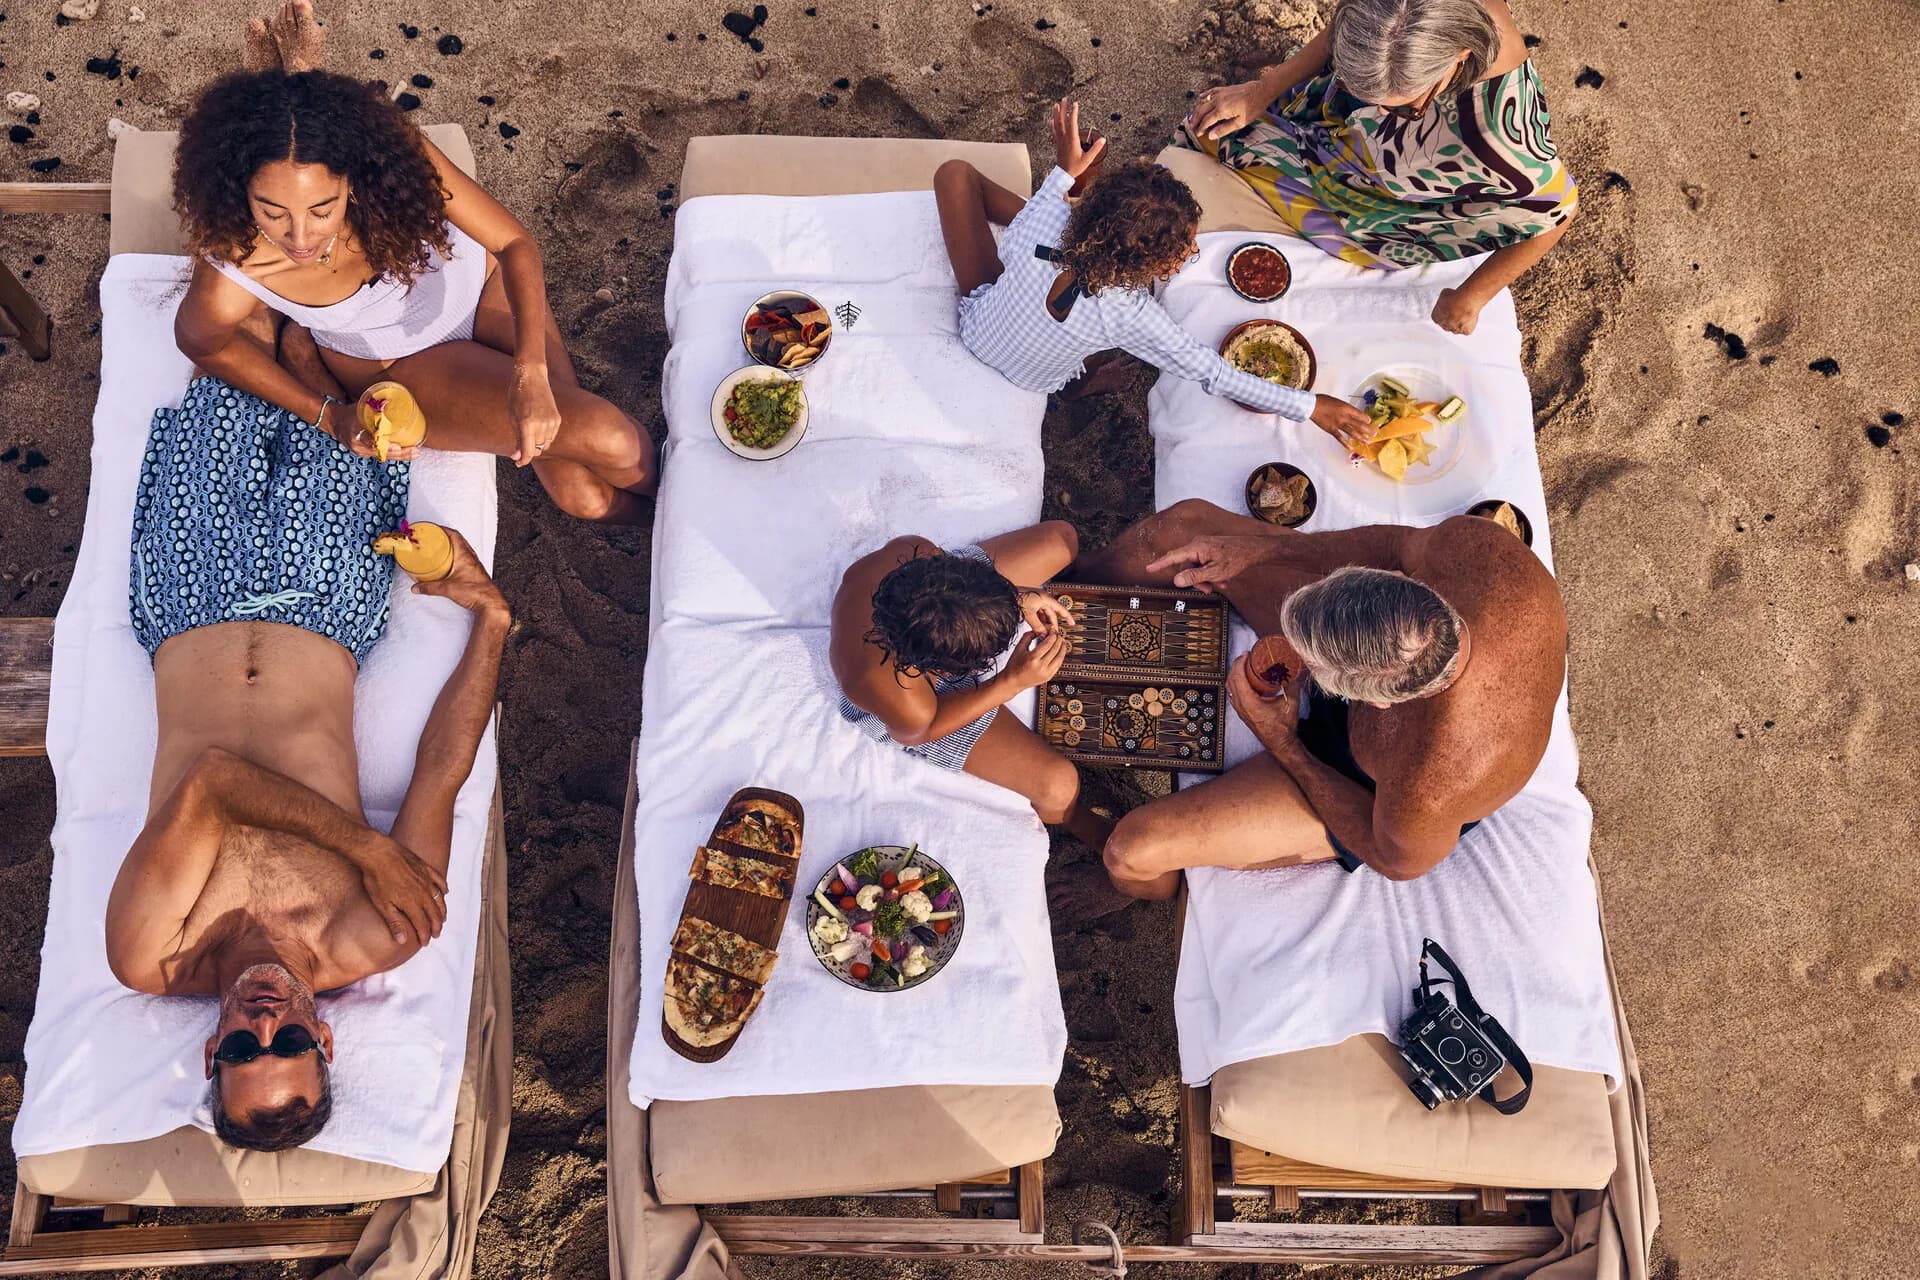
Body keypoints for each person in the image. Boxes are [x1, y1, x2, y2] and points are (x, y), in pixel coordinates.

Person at [105, 374, 509, 1152]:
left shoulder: (152, 951)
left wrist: (367, 850)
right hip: (326, 600)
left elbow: (213, 781)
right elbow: (440, 775)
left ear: (211, 1053)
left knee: (229, 362)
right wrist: (491, 617)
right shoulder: (380, 930)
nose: (264, 1024)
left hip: (190, 588)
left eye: (241, 1050)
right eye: (289, 1044)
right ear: (323, 1040)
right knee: (344, 379)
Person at [169, 0, 655, 522]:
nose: (300, 236)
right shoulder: (238, 263)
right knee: (607, 454)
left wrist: (529, 373)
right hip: (404, 362)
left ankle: (296, 78)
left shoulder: (390, 159)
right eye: (272, 212)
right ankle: (690, 519)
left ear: (352, 179)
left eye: (322, 209)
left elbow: (514, 244)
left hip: (482, 282)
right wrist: (328, 416)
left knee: (581, 491)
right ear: (240, 192)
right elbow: (202, 343)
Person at [1058, 499, 1565, 911]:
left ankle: (1152, 892)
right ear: (1400, 584)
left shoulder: (1429, 788)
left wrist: (1284, 742)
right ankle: (1061, 584)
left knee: (1130, 850)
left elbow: (1394, 859)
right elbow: (1393, 544)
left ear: (1372, 701)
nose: (1290, 655)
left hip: (1358, 784)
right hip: (1382, 652)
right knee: (1187, 533)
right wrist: (1262, 550)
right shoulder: (1478, 551)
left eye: (1309, 663)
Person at [934, 98, 1372, 441]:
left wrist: (1065, 170)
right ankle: (1080, 385)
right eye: (1184, 249)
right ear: (1149, 265)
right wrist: (1310, 406)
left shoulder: (1047, 217)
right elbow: (1214, 373)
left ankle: (1065, 290)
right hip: (1035, 378)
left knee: (955, 175)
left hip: (981, 326)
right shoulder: (1131, 317)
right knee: (1087, 342)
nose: (1191, 250)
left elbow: (1040, 214)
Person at [1180, 0, 1578, 336]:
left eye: (1406, 108)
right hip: (1354, 109)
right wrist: (1262, 91)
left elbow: (1559, 209)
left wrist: (1471, 298)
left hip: (1383, 186)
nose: (1381, 113)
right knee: (1212, 125)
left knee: (1216, 138)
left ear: (1460, 56)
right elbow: (1345, 26)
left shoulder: (1498, 140)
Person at [832, 523, 1113, 847]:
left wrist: (1015, 597)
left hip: (942, 605)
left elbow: (954, 597)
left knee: (1060, 540)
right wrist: (1010, 681)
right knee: (1058, 787)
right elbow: (920, 731)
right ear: (946, 670)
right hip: (917, 712)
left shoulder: (911, 552)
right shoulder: (899, 696)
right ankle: (1078, 824)